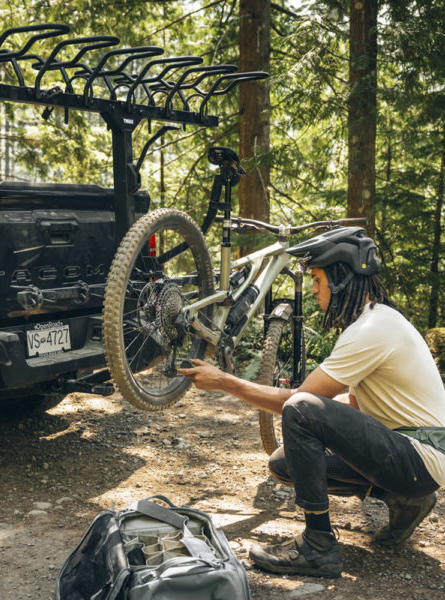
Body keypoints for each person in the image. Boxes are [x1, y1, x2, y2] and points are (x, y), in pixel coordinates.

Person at [178, 227, 445, 578]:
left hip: (417, 459)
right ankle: (406, 498)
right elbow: (355, 409)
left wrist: (224, 381)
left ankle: (317, 546)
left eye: (318, 279)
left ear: (339, 278)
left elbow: (298, 401)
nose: (314, 288)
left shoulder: (371, 329)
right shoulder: (377, 321)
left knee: (300, 409)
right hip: (414, 460)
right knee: (285, 463)